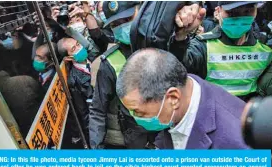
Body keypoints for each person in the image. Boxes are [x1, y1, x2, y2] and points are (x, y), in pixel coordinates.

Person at [116, 48, 249, 149]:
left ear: (173, 98)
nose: (135, 118)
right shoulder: (181, 92)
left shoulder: (237, 143)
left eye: (139, 112)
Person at [89, 1, 157, 149]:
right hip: (137, 140)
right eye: (115, 25)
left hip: (168, 133)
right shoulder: (110, 63)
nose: (123, 27)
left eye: (127, 20)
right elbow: (98, 110)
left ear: (140, 12)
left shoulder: (162, 44)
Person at [170, 1, 272, 101]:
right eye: (232, 12)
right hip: (212, 112)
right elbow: (177, 70)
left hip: (249, 112)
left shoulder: (265, 46)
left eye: (247, 11)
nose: (240, 18)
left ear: (256, 12)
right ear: (218, 12)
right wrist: (180, 37)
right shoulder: (204, 45)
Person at [57, 37, 93, 145]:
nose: (79, 48)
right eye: (74, 49)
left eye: (78, 44)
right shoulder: (74, 80)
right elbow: (83, 112)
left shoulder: (94, 57)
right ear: (68, 58)